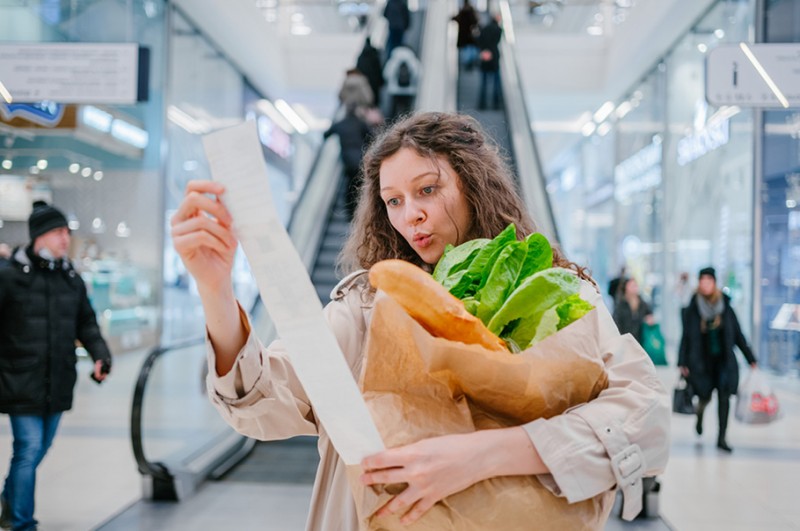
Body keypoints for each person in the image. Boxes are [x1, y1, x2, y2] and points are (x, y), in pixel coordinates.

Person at [170, 112, 670, 530]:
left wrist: (487, 453)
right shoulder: (368, 307)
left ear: (474, 184)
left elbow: (642, 415)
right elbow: (263, 398)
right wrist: (215, 289)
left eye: (427, 190)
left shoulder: (554, 291)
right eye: (393, 201)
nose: (411, 215)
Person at [0, 201, 112, 531]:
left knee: (37, 450)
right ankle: (23, 524)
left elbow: (87, 324)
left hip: (58, 378)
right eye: (58, 232)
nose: (66, 239)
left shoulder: (70, 278)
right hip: (19, 377)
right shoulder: (8, 278)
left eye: (67, 232)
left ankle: (8, 501)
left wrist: (101, 355)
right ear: (39, 236)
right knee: (29, 448)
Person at [678, 266, 757, 453]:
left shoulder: (725, 306)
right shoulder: (693, 307)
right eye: (702, 281)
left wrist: (750, 358)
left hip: (723, 362)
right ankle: (699, 414)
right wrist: (682, 362)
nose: (705, 285)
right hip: (700, 362)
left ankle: (722, 437)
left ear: (714, 283)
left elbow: (737, 334)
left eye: (709, 281)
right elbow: (686, 336)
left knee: (724, 398)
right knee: (704, 395)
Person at [323, 106, 373, 220]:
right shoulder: (360, 123)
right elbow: (372, 137)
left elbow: (326, 134)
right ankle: (359, 212)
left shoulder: (341, 124)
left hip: (347, 161)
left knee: (349, 185)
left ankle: (349, 213)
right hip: (360, 160)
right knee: (359, 185)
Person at [612, 277, 655, 345]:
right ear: (626, 287)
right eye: (631, 285)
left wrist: (649, 320)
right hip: (625, 342)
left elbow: (650, 316)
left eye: (635, 285)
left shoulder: (643, 304)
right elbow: (616, 322)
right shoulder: (621, 305)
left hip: (641, 342)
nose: (634, 288)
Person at [383, 45, 420, 118]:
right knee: (408, 113)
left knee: (393, 111)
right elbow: (418, 74)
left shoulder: (393, 59)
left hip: (394, 91)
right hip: (409, 91)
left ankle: (392, 126)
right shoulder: (413, 60)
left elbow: (386, 74)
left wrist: (391, 83)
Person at [477, 13, 503, 110]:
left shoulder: (484, 29)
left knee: (484, 82)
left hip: (485, 57)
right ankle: (495, 103)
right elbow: (496, 42)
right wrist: (491, 52)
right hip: (494, 58)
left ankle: (482, 103)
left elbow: (480, 41)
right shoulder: (498, 29)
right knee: (496, 83)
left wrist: (485, 51)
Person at [355, 38, 384, 106]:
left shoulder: (361, 57)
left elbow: (358, 70)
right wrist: (381, 82)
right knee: (373, 103)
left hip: (364, 83)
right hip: (374, 84)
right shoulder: (375, 56)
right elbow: (378, 70)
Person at [452, 0, 479, 69]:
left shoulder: (462, 12)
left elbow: (457, 18)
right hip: (470, 35)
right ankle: (470, 62)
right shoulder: (471, 12)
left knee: (465, 50)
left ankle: (467, 63)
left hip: (463, 35)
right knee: (470, 49)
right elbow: (475, 21)